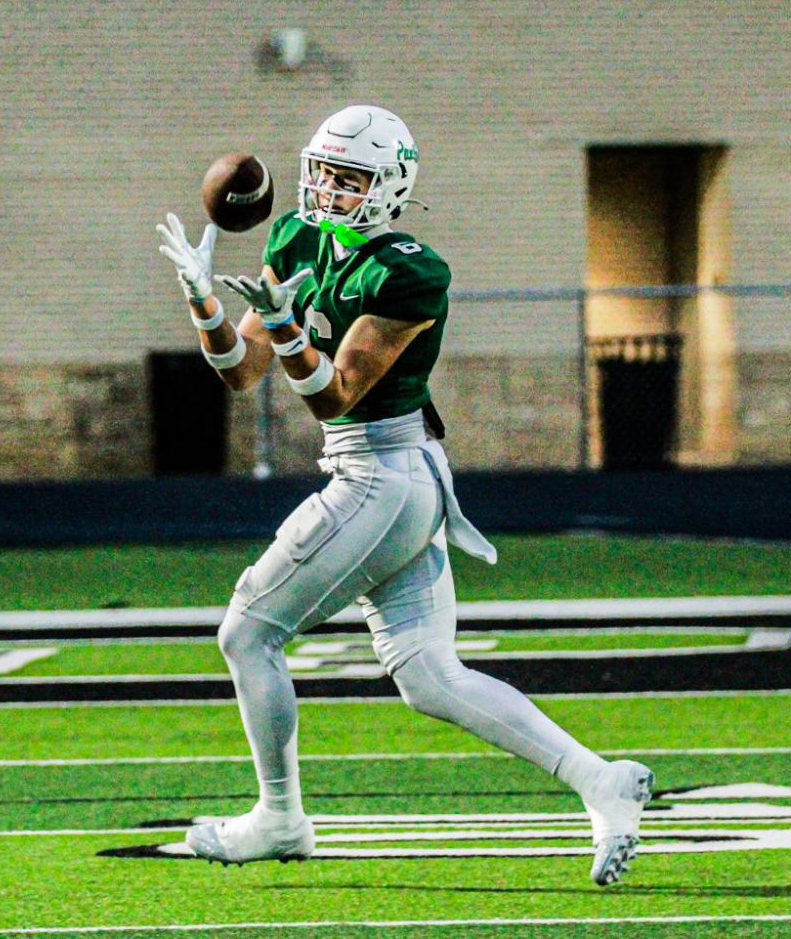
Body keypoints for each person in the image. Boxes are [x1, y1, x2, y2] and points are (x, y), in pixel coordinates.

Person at [155, 104, 654, 885]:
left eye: (349, 179)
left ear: (390, 189)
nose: (328, 191)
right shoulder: (294, 236)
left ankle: (279, 819)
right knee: (428, 675)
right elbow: (239, 372)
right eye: (321, 172)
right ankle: (602, 780)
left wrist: (288, 331)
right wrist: (203, 305)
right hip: (394, 477)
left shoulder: (410, 270)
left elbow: (336, 396)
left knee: (248, 633)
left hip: (381, 475)